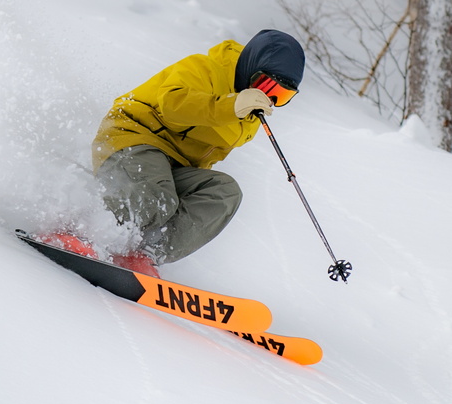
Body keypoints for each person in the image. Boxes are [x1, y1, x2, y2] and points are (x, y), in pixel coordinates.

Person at [90, 29, 305, 271]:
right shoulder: (203, 68)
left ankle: (145, 252)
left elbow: (206, 157)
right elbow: (173, 106)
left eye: (282, 95)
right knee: (157, 200)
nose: (269, 97)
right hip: (133, 137)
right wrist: (231, 105)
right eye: (265, 85)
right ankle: (87, 229)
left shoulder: (251, 116)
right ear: (250, 66)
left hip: (172, 167)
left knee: (225, 192)